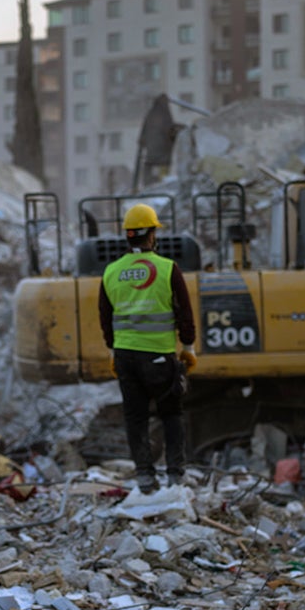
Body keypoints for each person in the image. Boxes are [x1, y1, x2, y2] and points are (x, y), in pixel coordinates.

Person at [97, 203, 197, 492]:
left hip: (126, 357)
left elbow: (106, 317)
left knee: (136, 416)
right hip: (159, 357)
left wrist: (113, 351)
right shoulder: (168, 269)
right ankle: (176, 475)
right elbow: (185, 314)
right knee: (171, 414)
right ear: (151, 235)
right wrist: (187, 347)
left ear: (128, 236)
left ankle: (145, 476)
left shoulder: (111, 272)